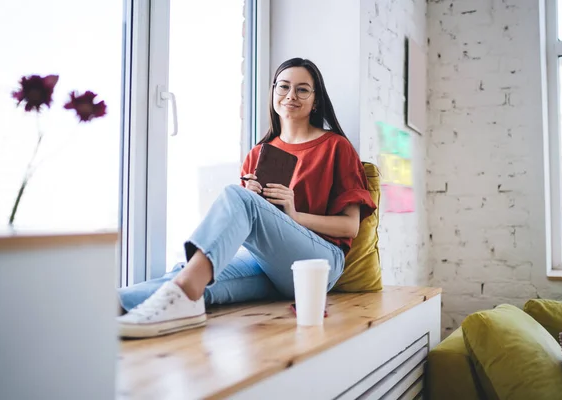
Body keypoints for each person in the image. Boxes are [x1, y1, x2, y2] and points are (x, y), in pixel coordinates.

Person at [117, 57, 376, 338]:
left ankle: (185, 294)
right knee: (198, 274)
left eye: (302, 90)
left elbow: (350, 227)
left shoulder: (336, 147)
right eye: (284, 87)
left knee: (236, 197)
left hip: (316, 266)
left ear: (315, 101)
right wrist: (255, 205)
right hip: (269, 263)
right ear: (273, 93)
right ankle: (106, 306)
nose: (291, 95)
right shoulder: (258, 153)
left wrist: (293, 214)